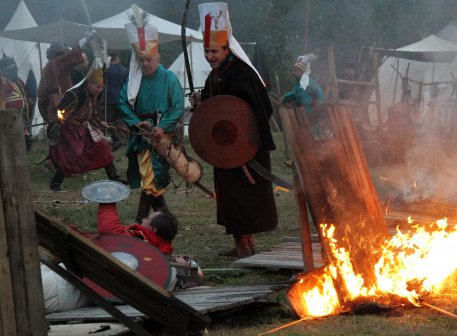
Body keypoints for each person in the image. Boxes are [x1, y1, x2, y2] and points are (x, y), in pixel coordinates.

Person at [189, 2, 278, 258]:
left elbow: (259, 109)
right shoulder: (215, 75)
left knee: (244, 195)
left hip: (246, 146)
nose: (210, 57)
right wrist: (201, 102)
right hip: (225, 149)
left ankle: (245, 243)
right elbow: (212, 104)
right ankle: (242, 241)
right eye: (207, 51)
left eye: (214, 51)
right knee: (229, 195)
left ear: (227, 49)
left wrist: (243, 138)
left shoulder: (244, 75)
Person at [118, 5, 184, 223]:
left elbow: (177, 106)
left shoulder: (169, 79)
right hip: (141, 137)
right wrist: (137, 123)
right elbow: (123, 103)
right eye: (141, 59)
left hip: (162, 137)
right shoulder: (133, 80)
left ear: (158, 57)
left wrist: (162, 126)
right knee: (151, 181)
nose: (145, 63)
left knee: (151, 180)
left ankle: (140, 222)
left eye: (149, 59)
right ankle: (165, 222)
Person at [49, 52, 125, 192]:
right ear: (88, 82)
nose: (99, 90)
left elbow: (93, 113)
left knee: (102, 146)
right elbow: (60, 111)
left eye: (101, 87)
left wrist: (101, 122)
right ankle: (55, 183)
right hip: (70, 128)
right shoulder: (75, 94)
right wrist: (60, 119)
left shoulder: (94, 94)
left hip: (84, 127)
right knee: (73, 156)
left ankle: (115, 177)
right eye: (96, 86)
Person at [102, 51, 128, 151]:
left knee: (107, 121)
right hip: (121, 98)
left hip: (108, 98)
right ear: (117, 58)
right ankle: (118, 139)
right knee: (117, 121)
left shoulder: (106, 69)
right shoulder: (125, 70)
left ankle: (117, 139)